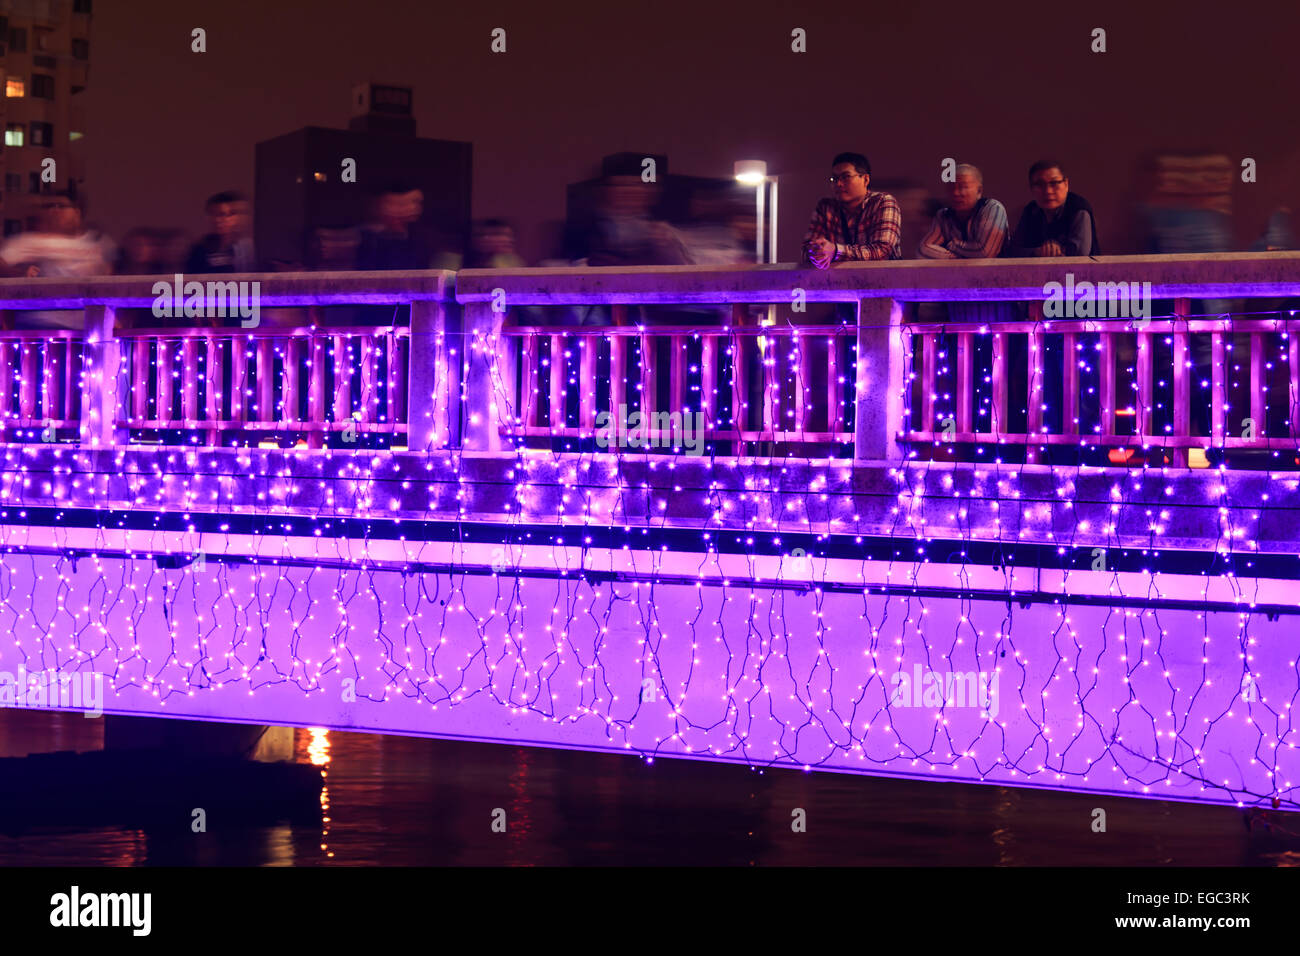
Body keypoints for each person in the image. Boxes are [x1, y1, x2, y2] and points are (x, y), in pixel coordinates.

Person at [0, 191, 114, 329]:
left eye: (60, 206)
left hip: (87, 328)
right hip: (38, 327)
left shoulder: (97, 244)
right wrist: (19, 274)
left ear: (76, 212)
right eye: (48, 206)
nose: (54, 211)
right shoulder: (29, 241)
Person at [802, 152, 902, 268]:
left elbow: (881, 252)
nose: (838, 184)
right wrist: (817, 251)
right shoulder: (826, 207)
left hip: (886, 282)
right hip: (839, 283)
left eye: (846, 177)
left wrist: (835, 251)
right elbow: (806, 250)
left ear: (865, 179)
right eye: (834, 178)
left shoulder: (882, 202)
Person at [1005, 160, 1100, 257]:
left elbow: (1080, 253)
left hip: (1077, 271)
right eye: (1039, 184)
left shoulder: (1078, 208)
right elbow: (1013, 251)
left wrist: (1055, 251)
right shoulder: (1031, 211)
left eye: (1054, 183)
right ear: (1031, 188)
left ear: (1066, 184)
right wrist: (1038, 251)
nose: (1048, 191)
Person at [917, 164, 1008, 259]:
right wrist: (954, 258)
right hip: (957, 273)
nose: (955, 193)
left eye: (963, 187)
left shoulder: (992, 208)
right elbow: (923, 250)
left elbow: (985, 253)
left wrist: (952, 245)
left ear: (979, 191)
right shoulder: (944, 215)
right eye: (951, 188)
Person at [185, 190, 255, 273]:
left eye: (242, 213)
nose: (219, 220)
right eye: (220, 214)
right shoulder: (200, 250)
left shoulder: (255, 247)